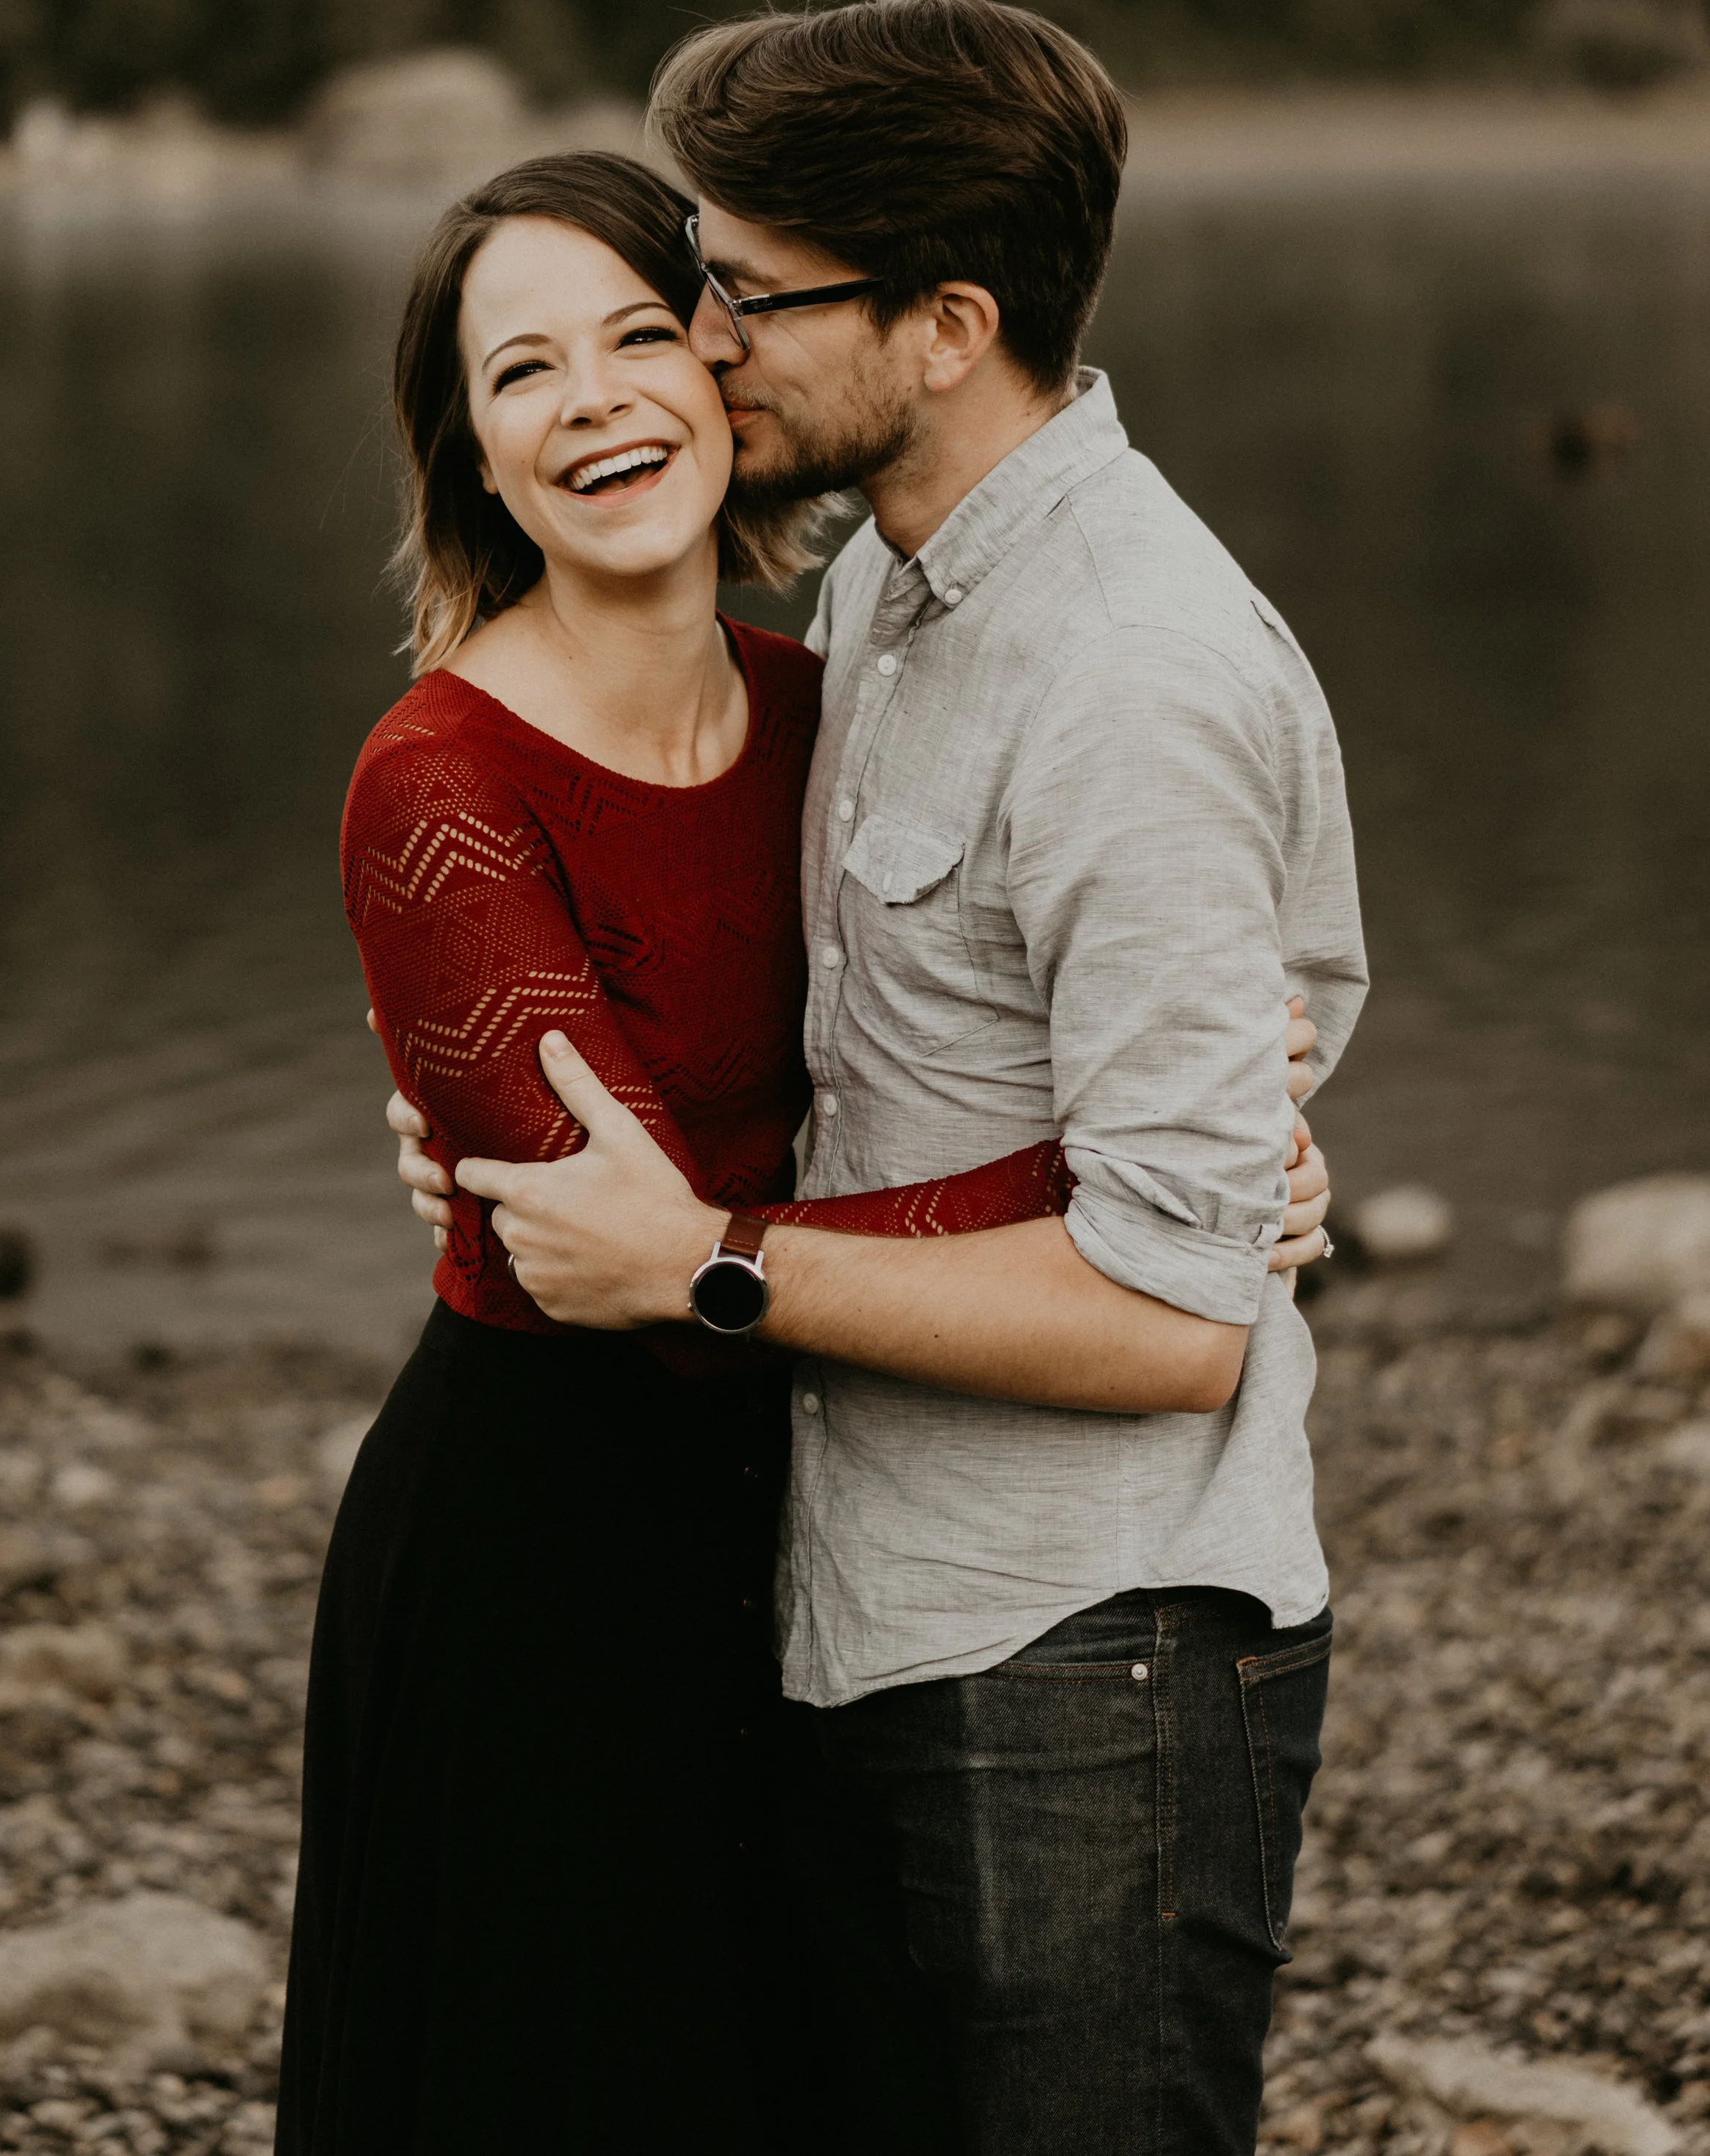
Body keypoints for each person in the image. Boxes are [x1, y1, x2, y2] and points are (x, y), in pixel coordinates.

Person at [278, 138, 1334, 2156]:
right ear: (471, 458)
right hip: (555, 1562)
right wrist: (1127, 1185)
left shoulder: (833, 697)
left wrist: (1190, 1130)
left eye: (641, 333)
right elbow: (641, 1282)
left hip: (830, 1526)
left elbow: (917, 1075)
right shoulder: (436, 782)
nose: (593, 397)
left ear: (726, 378)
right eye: (520, 373)